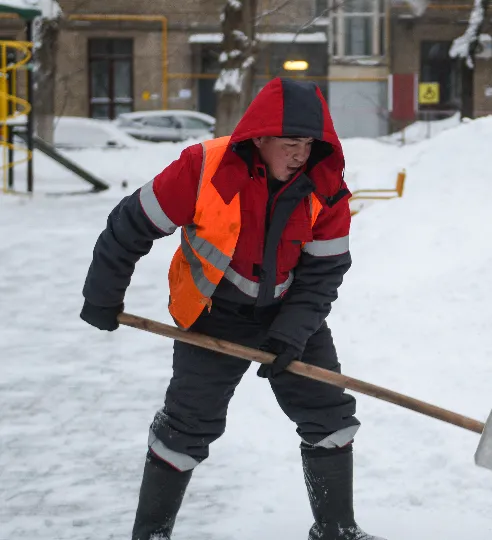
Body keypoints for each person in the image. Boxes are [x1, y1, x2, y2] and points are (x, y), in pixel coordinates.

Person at [79, 77, 384, 540]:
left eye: (308, 143)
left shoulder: (325, 185)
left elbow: (325, 272)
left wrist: (292, 334)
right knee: (185, 427)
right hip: (212, 315)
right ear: (259, 138)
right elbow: (130, 225)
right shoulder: (203, 169)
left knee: (330, 418)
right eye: (289, 144)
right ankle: (151, 534)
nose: (301, 154)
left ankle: (335, 529)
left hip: (287, 313)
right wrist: (103, 294)